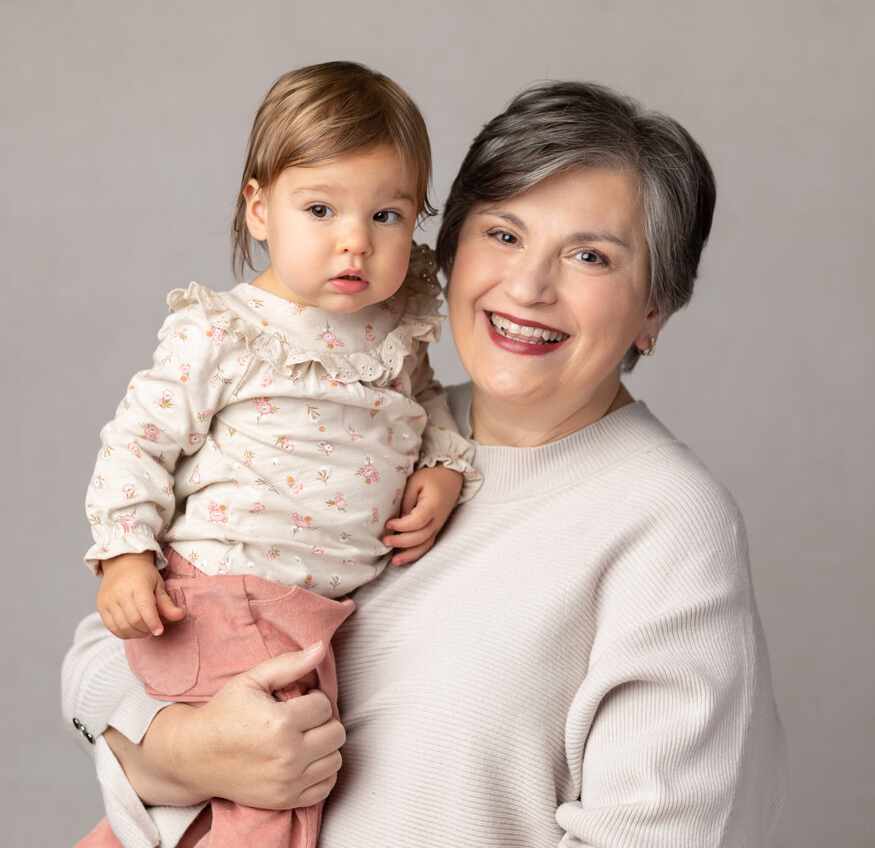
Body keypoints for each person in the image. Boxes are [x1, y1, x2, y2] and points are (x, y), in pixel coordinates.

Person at [64, 79, 788, 847]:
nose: (528, 286)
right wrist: (186, 753)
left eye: (589, 255)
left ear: (654, 310)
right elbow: (99, 661)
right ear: (446, 252)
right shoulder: (367, 426)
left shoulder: (667, 524)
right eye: (504, 235)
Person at [76, 61, 477, 847]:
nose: (355, 241)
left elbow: (421, 406)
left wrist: (442, 462)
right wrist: (125, 556)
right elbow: (138, 440)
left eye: (389, 216)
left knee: (209, 807)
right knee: (278, 796)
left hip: (306, 609)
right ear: (260, 209)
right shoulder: (227, 332)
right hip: (230, 593)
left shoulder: (395, 329)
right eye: (321, 208)